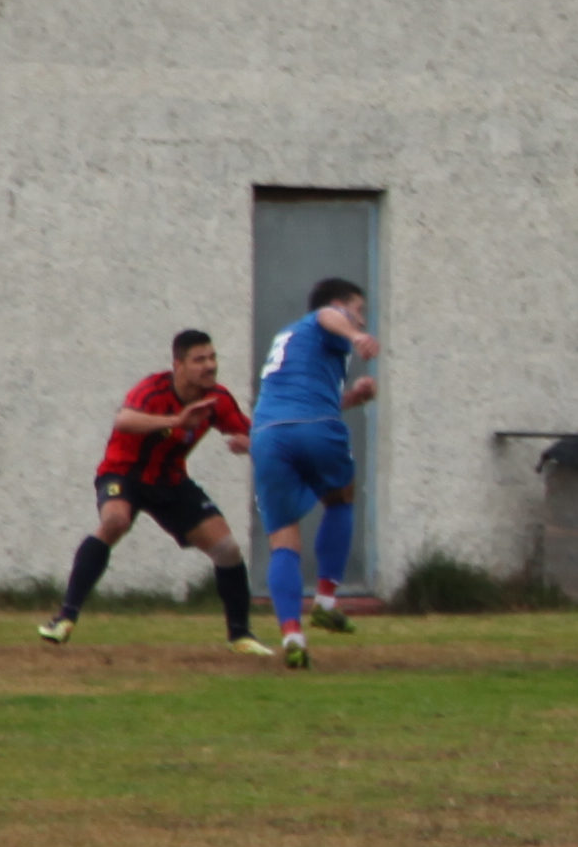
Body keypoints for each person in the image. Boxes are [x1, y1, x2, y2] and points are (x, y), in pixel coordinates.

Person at [40, 330, 263, 653]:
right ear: (179, 365)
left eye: (212, 358)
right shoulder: (155, 389)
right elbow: (124, 420)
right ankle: (64, 617)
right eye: (199, 360)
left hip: (170, 481)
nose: (210, 366)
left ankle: (241, 635)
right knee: (115, 521)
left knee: (227, 549)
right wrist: (175, 421)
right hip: (123, 473)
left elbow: (254, 435)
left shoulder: (217, 400)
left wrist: (251, 445)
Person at [248, 275, 376, 665]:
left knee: (283, 540)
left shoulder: (290, 337)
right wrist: (354, 335)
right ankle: (324, 599)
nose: (361, 320)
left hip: (267, 434)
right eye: (359, 310)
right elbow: (328, 314)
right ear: (340, 304)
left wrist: (352, 398)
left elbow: (302, 395)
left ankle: (292, 637)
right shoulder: (327, 319)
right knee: (343, 495)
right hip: (313, 428)